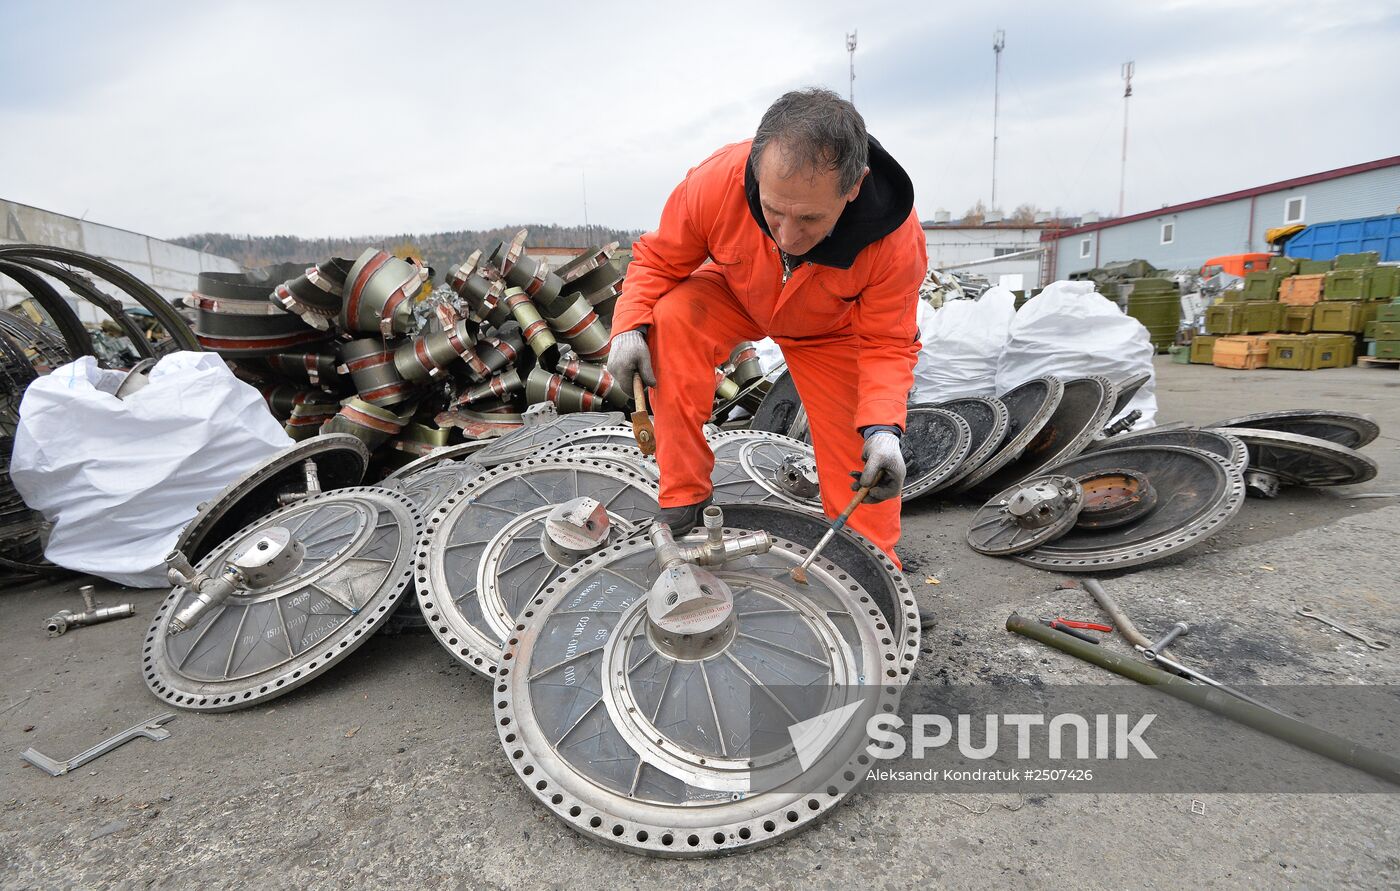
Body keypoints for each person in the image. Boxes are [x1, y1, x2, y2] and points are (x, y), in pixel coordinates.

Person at [607, 88, 926, 560]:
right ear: (756, 171)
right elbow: (658, 260)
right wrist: (628, 327)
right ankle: (684, 497)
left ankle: (872, 564)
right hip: (737, 295)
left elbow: (887, 342)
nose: (790, 236)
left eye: (810, 218)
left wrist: (883, 429)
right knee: (673, 315)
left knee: (858, 462)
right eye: (774, 212)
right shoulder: (717, 182)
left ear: (854, 186)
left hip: (831, 332)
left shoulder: (893, 238)